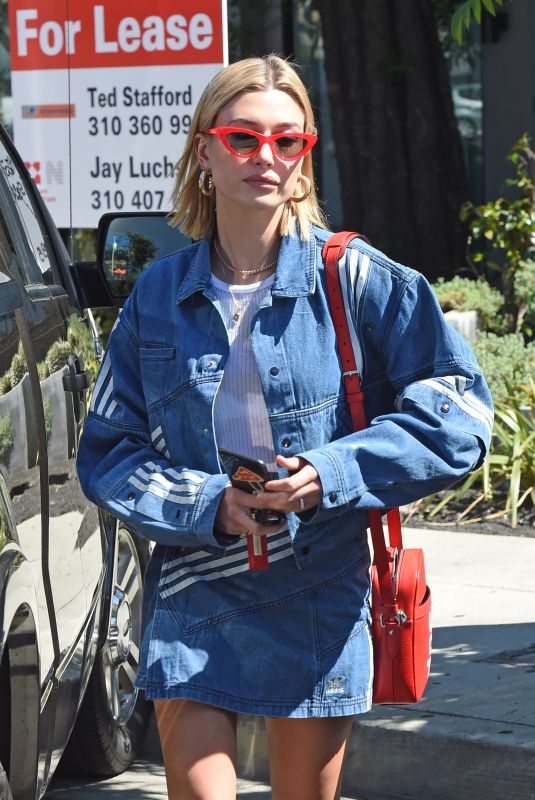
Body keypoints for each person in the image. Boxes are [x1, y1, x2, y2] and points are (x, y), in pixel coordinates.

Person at [77, 55, 493, 800]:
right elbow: (108, 451)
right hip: (196, 582)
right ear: (204, 151)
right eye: (242, 138)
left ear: (304, 155)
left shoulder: (356, 278)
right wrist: (205, 503)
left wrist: (331, 473)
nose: (263, 157)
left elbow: (458, 410)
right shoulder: (158, 296)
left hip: (317, 582)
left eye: (285, 141)